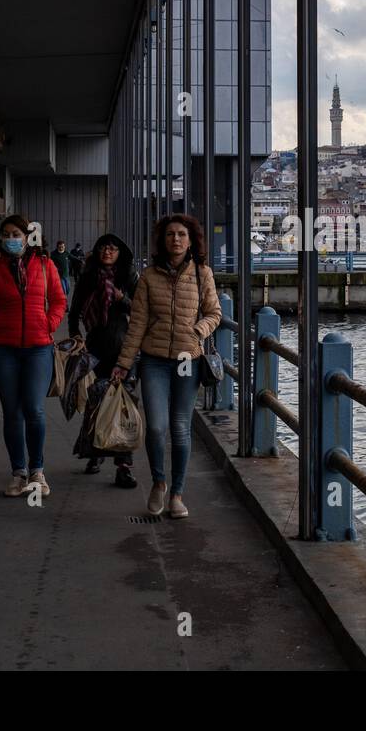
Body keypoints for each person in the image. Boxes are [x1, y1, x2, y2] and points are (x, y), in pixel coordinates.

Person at [116, 214, 221, 519]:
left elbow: (214, 313)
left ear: (191, 241)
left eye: (182, 235)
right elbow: (137, 324)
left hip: (188, 359)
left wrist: (199, 330)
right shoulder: (149, 277)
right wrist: (124, 363)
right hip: (154, 360)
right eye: (170, 234)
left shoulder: (203, 274)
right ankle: (159, 482)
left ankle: (177, 493)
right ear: (163, 240)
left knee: (179, 427)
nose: (176, 239)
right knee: (157, 426)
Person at [0, 214, 67, 498]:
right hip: (4, 350)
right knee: (12, 413)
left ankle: (37, 470)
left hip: (39, 348)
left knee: (34, 409)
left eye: (17, 234)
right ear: (1, 239)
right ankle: (18, 472)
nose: (12, 239)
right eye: (6, 234)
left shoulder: (46, 265)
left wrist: (48, 324)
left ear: (28, 237)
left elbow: (60, 301)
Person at [68, 234, 139, 486]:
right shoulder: (88, 276)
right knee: (98, 401)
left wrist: (122, 299)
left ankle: (124, 466)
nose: (107, 252)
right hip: (96, 347)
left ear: (120, 253)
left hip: (124, 348)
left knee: (123, 406)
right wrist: (76, 337)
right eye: (103, 248)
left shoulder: (128, 276)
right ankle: (96, 452)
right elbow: (74, 312)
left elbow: (141, 310)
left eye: (112, 249)